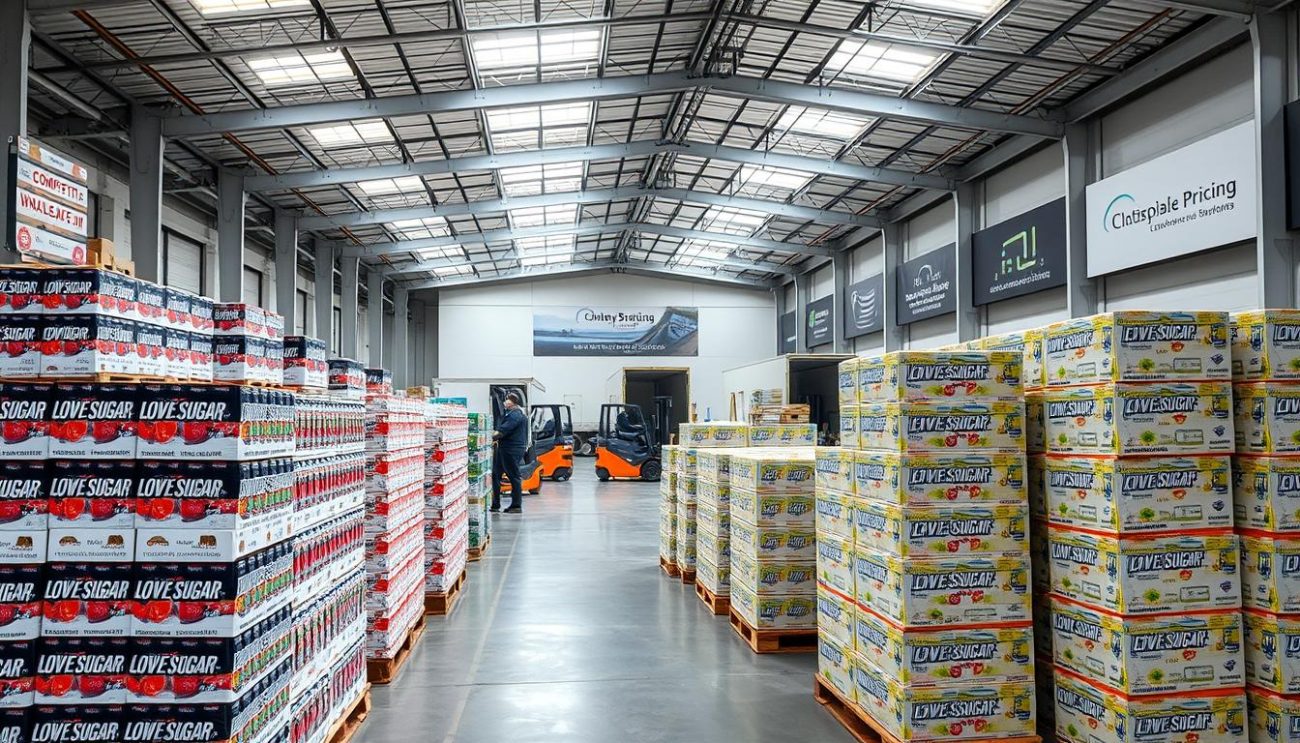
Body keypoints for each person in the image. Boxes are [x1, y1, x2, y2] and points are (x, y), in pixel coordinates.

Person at [492, 392, 529, 513]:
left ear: (512, 402)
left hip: (511, 449)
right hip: (505, 449)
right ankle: (495, 504)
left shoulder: (515, 415)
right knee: (496, 474)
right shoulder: (512, 414)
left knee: (513, 476)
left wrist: (490, 437)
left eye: (506, 400)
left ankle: (516, 505)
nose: (504, 402)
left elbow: (503, 431)